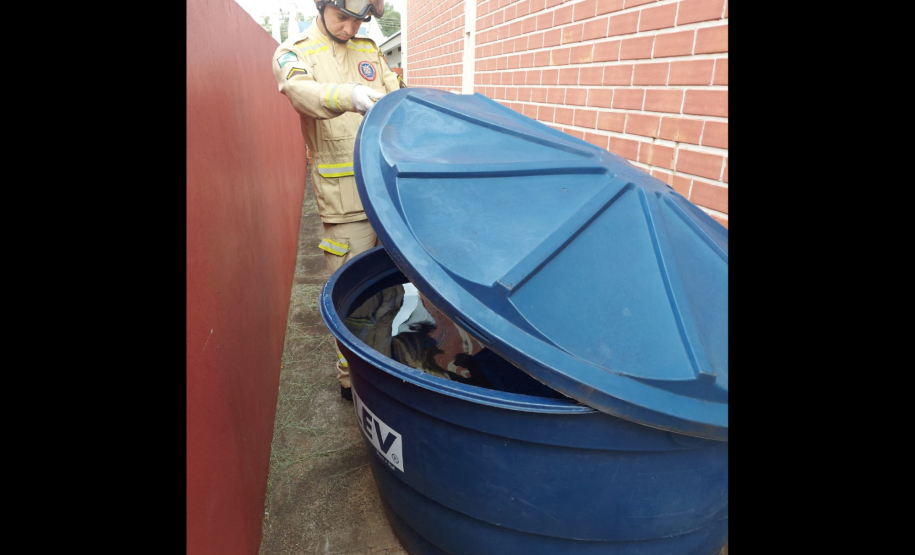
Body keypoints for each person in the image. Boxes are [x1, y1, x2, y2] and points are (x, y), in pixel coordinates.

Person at [272, 0, 406, 401]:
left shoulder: (368, 50)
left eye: (358, 20)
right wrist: (350, 95)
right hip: (344, 202)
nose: (350, 28)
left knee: (389, 290)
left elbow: (398, 100)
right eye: (342, 18)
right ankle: (354, 381)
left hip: (389, 196)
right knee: (353, 295)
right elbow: (300, 92)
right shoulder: (295, 51)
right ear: (322, 6)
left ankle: (383, 367)